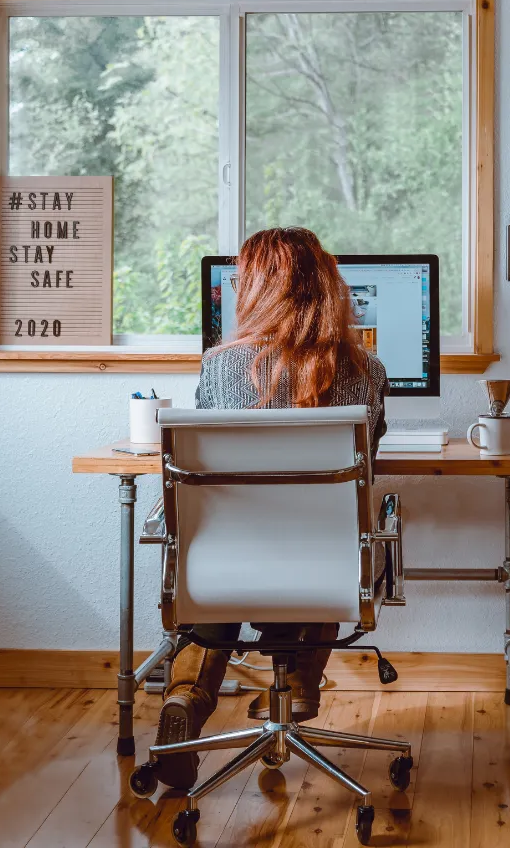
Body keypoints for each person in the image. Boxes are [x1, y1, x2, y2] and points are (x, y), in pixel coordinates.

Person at [155, 226, 390, 788]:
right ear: (330, 289)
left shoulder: (217, 366)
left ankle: (188, 695)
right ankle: (303, 683)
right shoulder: (368, 372)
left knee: (216, 534)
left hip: (227, 570)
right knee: (334, 533)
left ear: (254, 291)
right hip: (326, 573)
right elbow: (368, 468)